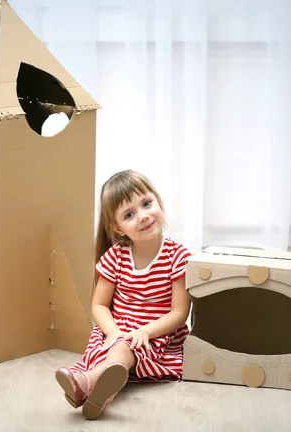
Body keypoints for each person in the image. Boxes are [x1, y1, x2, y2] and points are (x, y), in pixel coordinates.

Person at [55, 170, 192, 420]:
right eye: (129, 215)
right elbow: (99, 305)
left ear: (158, 202)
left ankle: (85, 383)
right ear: (117, 228)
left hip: (156, 335)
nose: (143, 216)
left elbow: (179, 313)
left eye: (147, 204)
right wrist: (114, 332)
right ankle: (101, 393)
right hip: (117, 329)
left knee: (125, 349)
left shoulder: (177, 257)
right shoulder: (116, 256)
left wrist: (145, 332)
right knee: (109, 349)